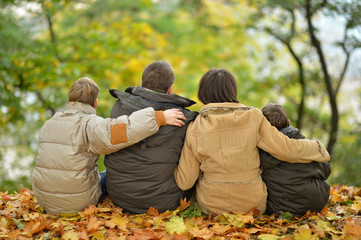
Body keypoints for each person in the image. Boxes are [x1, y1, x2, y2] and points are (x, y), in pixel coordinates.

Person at [174, 68, 330, 215]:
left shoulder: (195, 128)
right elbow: (286, 149)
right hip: (253, 206)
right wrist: (318, 148)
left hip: (212, 208)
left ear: (202, 93)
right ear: (232, 91)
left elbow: (185, 182)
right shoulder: (254, 117)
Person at [32, 77, 185, 214]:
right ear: (95, 103)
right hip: (77, 203)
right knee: (108, 174)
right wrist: (159, 117)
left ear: (70, 99)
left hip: (44, 199)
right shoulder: (89, 125)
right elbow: (126, 129)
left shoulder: (50, 122)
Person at [105, 61, 198, 214]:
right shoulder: (183, 119)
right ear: (171, 88)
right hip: (162, 203)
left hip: (120, 196)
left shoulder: (120, 106)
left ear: (141, 84)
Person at [259, 103, 331, 217]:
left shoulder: (260, 153)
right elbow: (326, 171)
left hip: (277, 208)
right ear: (289, 123)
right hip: (313, 205)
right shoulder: (303, 148)